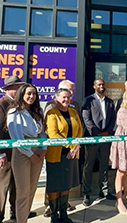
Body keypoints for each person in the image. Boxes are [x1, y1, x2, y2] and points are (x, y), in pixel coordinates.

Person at [0, 76, 35, 223]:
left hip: (18, 154)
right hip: (5, 155)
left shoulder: (19, 105)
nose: (20, 89)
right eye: (18, 87)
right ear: (9, 89)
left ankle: (16, 212)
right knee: (1, 187)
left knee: (17, 186)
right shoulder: (0, 105)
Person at [7, 83, 47, 223]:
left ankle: (24, 217)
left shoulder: (38, 112)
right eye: (28, 93)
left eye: (34, 94)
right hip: (22, 153)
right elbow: (16, 137)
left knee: (32, 189)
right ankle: (21, 220)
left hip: (38, 152)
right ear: (22, 95)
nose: (31, 96)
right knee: (23, 191)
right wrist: (30, 154)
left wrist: (43, 150)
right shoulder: (14, 112)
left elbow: (42, 133)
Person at [45, 88, 83, 223]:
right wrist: (71, 146)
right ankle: (54, 216)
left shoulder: (73, 112)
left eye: (68, 97)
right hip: (56, 155)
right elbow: (53, 134)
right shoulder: (51, 114)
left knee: (65, 185)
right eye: (63, 97)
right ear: (56, 98)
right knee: (55, 186)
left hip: (71, 156)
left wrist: (75, 147)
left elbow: (79, 130)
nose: (66, 100)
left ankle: (63, 214)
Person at [82, 79, 116, 206]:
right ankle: (86, 193)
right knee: (88, 166)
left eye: (103, 84)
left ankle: (104, 191)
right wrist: (96, 133)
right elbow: (86, 119)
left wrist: (107, 132)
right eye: (99, 84)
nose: (101, 86)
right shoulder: (88, 100)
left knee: (104, 165)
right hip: (92, 138)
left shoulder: (109, 102)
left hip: (106, 138)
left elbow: (113, 118)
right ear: (94, 86)